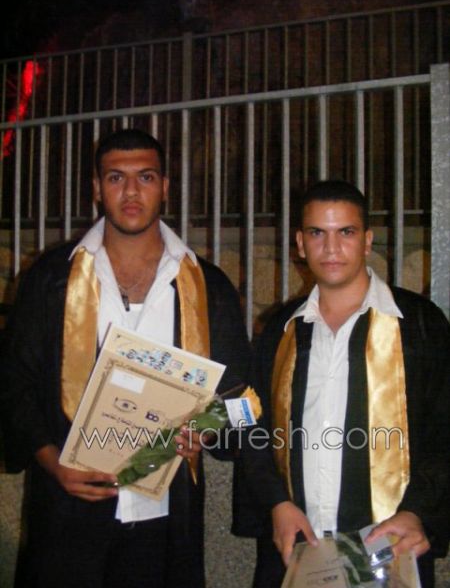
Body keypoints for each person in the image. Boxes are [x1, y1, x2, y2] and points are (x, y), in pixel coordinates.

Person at [0, 129, 250, 588]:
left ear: (165, 187)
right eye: (116, 178)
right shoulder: (52, 280)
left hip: (166, 515)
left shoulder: (207, 286)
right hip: (68, 512)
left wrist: (207, 430)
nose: (131, 191)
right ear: (97, 188)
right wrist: (52, 461)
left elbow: (243, 395)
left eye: (146, 177)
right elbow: (13, 383)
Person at [233, 180, 449, 587]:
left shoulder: (420, 325)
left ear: (367, 240)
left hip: (389, 544)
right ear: (300, 243)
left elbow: (444, 430)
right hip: (298, 543)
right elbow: (250, 423)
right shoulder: (281, 330)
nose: (331, 248)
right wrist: (276, 503)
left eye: (345, 232)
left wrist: (418, 511)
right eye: (317, 233)